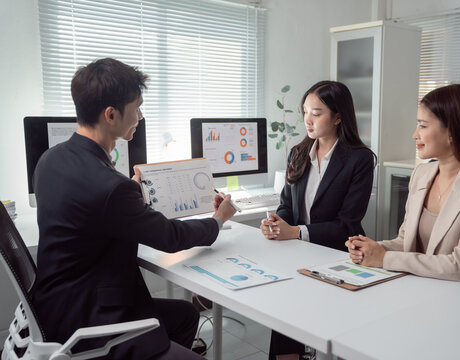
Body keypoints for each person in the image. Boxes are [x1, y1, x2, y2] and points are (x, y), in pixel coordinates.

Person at [31, 58, 236, 360]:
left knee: (185, 314)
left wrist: (127, 192)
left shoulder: (51, 158)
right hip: (90, 320)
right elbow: (170, 237)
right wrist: (218, 220)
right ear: (111, 114)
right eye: (137, 107)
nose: (140, 116)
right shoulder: (110, 187)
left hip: (53, 306)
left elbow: (92, 211)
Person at [346, 83, 460, 290]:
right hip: (423, 289)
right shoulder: (422, 174)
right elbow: (406, 242)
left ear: (452, 131)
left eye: (423, 125)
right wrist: (373, 248)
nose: (415, 135)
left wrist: (384, 258)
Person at [260, 80, 375, 360]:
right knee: (285, 318)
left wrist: (296, 232)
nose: (307, 120)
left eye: (316, 112)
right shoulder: (298, 153)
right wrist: (276, 222)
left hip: (337, 255)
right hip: (297, 254)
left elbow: (348, 223)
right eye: (305, 112)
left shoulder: (359, 159)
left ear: (338, 117)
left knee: (328, 330)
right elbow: (287, 205)